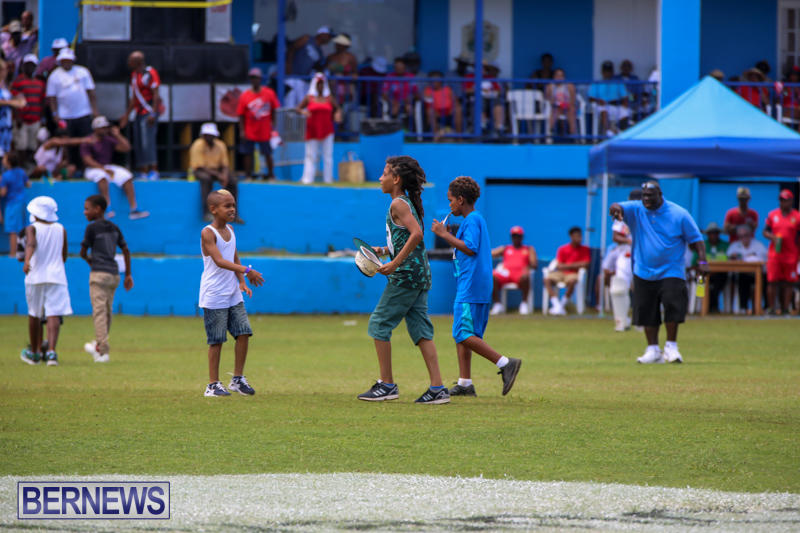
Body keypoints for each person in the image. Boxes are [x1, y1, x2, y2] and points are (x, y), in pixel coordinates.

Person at [358, 156, 449, 404]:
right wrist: (383, 250)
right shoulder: (404, 203)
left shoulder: (398, 204)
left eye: (384, 173)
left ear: (396, 179)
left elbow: (417, 234)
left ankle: (387, 385)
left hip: (406, 276)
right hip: (420, 275)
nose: (380, 178)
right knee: (421, 331)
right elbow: (405, 238)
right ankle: (438, 388)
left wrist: (395, 263)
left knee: (379, 324)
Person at [431, 176, 522, 397]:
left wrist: (444, 235)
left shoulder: (472, 220)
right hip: (476, 285)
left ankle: (505, 363)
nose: (450, 205)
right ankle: (465, 383)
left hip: (471, 286)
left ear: (461, 200)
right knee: (467, 333)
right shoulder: (474, 220)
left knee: (462, 333)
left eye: (451, 200)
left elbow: (470, 248)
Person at [609, 181, 707, 364]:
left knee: (672, 305)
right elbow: (618, 206)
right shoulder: (636, 209)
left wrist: (702, 261)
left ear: (660, 195)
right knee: (647, 310)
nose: (646, 199)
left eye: (650, 196)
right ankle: (653, 350)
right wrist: (615, 209)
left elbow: (696, 240)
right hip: (643, 270)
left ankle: (671, 347)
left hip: (672, 269)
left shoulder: (679, 214)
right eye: (644, 196)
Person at [200, 189, 264, 397]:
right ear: (213, 209)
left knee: (244, 332)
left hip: (232, 293)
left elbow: (234, 257)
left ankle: (237, 379)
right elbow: (220, 261)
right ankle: (212, 385)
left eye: (233, 205)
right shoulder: (208, 233)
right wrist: (246, 270)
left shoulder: (230, 229)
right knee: (216, 340)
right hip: (214, 293)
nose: (232, 209)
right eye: (227, 206)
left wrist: (242, 282)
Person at [79, 194, 133, 363]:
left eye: (87, 209)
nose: (84, 212)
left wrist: (90, 261)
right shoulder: (114, 227)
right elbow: (126, 250)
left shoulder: (91, 228)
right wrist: (128, 274)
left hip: (99, 274)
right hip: (114, 275)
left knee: (99, 312)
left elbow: (82, 252)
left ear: (98, 209)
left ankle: (102, 351)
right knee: (107, 312)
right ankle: (99, 344)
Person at [20, 196, 71, 366]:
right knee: (53, 313)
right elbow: (63, 255)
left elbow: (31, 244)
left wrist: (27, 260)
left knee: (34, 313)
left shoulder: (32, 228)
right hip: (57, 276)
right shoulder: (61, 229)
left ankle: (35, 353)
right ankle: (51, 352)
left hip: (36, 276)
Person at [80, 116, 149, 220]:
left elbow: (126, 148)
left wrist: (117, 135)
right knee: (101, 176)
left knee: (126, 175)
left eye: (106, 127)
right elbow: (87, 160)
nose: (105, 130)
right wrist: (103, 168)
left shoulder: (108, 140)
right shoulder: (88, 141)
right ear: (95, 129)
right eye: (102, 127)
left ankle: (133, 209)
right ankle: (107, 208)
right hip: (92, 168)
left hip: (107, 166)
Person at [45, 47, 97, 165]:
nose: (67, 62)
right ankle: (71, 166)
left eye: (69, 60)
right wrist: (55, 114)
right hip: (65, 116)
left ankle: (85, 166)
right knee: (68, 143)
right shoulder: (54, 76)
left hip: (83, 113)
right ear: (60, 61)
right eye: (64, 60)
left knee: (86, 142)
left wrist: (95, 111)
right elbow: (52, 98)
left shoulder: (83, 72)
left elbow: (91, 93)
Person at [119, 51, 162, 181]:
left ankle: (153, 170)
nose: (128, 62)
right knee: (138, 142)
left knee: (148, 141)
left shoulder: (150, 73)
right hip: (138, 112)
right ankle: (142, 170)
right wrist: (126, 115)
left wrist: (153, 113)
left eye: (130, 60)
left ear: (137, 61)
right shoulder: (134, 75)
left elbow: (156, 94)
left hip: (148, 112)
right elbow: (134, 97)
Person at [190, 122, 239, 223]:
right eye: (207, 135)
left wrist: (224, 176)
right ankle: (207, 213)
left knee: (232, 181)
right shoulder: (197, 145)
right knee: (206, 180)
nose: (209, 137)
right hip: (201, 170)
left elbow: (225, 164)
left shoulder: (220, 145)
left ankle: (233, 213)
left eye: (211, 135)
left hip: (217, 170)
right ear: (203, 135)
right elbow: (200, 166)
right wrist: (219, 175)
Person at [236, 67, 280, 180]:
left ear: (260, 79)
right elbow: (240, 115)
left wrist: (273, 127)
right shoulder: (245, 95)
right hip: (250, 129)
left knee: (267, 153)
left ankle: (271, 175)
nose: (254, 80)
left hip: (265, 129)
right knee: (247, 153)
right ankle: (248, 176)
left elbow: (274, 110)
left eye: (256, 78)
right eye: (252, 78)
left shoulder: (269, 93)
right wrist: (242, 131)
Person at [298, 72, 340, 184]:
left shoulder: (329, 98)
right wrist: (303, 112)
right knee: (310, 155)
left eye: (322, 84)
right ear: (314, 85)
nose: (320, 86)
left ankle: (328, 179)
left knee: (328, 156)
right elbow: (298, 108)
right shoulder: (309, 98)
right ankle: (307, 179)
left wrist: (337, 114)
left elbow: (337, 109)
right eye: (318, 84)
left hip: (327, 130)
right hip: (312, 130)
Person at [763, 189, 800, 315]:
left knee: (788, 282)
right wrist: (773, 237)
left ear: (791, 201)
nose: (782, 203)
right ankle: (771, 308)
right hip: (775, 254)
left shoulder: (797, 216)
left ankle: (785, 308)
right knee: (772, 281)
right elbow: (765, 231)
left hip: (791, 254)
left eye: (785, 200)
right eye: (781, 200)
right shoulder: (773, 215)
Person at [489, 225, 537, 315]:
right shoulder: (506, 248)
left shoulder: (528, 249)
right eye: (514, 236)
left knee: (526, 277)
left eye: (518, 236)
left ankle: (524, 303)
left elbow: (534, 264)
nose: (516, 238)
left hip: (520, 274)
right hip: (506, 274)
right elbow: (490, 253)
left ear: (522, 237)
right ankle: (497, 304)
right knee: (491, 276)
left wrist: (528, 267)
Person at [545, 226, 591, 315]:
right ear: (571, 237)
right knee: (547, 280)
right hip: (561, 273)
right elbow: (559, 266)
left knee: (572, 281)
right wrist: (576, 265)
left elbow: (586, 264)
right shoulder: (562, 249)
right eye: (577, 236)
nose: (579, 238)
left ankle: (562, 305)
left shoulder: (585, 249)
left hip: (573, 274)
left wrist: (567, 266)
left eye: (580, 236)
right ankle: (557, 305)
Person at [11, 54, 45, 170]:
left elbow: (42, 101)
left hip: (35, 119)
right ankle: (21, 168)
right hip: (22, 120)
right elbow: (14, 100)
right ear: (23, 66)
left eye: (32, 65)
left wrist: (40, 118)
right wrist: (17, 117)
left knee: (32, 145)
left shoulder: (39, 83)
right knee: (21, 145)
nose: (30, 68)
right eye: (27, 65)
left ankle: (30, 169)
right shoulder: (18, 81)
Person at [727, 225, 767, 313]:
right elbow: (728, 258)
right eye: (741, 236)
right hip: (741, 275)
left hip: (757, 275)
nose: (743, 238)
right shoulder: (734, 246)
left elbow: (763, 260)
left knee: (766, 280)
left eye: (745, 235)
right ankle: (743, 307)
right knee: (741, 278)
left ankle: (764, 307)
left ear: (750, 235)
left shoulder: (758, 245)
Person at [694, 222, 729, 313]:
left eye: (715, 233)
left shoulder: (725, 245)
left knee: (717, 284)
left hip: (720, 274)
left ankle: (713, 307)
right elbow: (694, 261)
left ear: (718, 234)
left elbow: (729, 260)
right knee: (701, 279)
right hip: (703, 273)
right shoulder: (702, 245)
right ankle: (700, 308)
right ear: (708, 234)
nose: (713, 236)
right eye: (711, 233)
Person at [588, 61, 630, 136]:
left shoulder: (618, 82)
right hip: (601, 106)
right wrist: (598, 101)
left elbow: (625, 96)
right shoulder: (596, 83)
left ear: (612, 72)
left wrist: (625, 103)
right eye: (606, 71)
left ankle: (619, 132)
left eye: (609, 71)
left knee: (625, 111)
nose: (607, 73)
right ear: (602, 72)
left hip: (615, 105)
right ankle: (609, 132)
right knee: (604, 111)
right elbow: (590, 98)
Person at [0, 151, 29, 256]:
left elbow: (3, 193)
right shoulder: (21, 172)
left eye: (4, 158)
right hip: (23, 202)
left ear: (8, 162)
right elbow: (28, 184)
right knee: (22, 228)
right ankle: (25, 252)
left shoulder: (5, 176)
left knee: (12, 230)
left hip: (12, 204)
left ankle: (13, 254)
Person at [423, 70, 462, 139]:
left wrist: (453, 108)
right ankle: (435, 137)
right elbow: (428, 104)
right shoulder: (428, 90)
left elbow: (456, 101)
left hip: (449, 111)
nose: (434, 82)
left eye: (436, 80)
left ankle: (459, 137)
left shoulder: (448, 89)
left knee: (458, 109)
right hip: (436, 112)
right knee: (430, 111)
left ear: (441, 81)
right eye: (432, 80)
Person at [0, 59, 26, 156]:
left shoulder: (4, 85)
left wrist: (18, 99)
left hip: (6, 124)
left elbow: (10, 99)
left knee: (5, 153)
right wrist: (12, 103)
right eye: (4, 70)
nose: (6, 72)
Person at [545, 68, 577, 137]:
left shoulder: (570, 86)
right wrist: (555, 103)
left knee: (571, 109)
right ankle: (551, 131)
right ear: (554, 77)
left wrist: (567, 105)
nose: (559, 78)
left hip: (568, 107)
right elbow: (547, 99)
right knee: (556, 109)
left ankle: (572, 133)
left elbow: (573, 100)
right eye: (557, 75)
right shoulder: (550, 86)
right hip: (556, 107)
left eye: (561, 76)